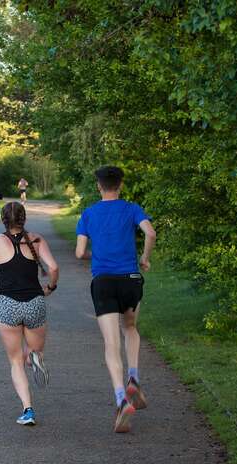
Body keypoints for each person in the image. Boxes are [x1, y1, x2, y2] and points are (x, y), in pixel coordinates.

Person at [75, 166, 156, 433]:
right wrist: (144, 258)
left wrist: (96, 256)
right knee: (130, 328)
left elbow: (79, 253)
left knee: (111, 342)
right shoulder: (132, 208)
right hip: (131, 280)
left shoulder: (88, 213)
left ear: (99, 186)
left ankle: (121, 398)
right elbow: (151, 233)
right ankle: (134, 376)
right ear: (120, 185)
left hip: (104, 282)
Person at [0, 201, 59, 426]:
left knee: (14, 361)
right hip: (35, 302)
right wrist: (50, 287)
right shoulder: (37, 240)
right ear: (24, 219)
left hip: (7, 305)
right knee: (34, 349)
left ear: (3, 220)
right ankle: (34, 356)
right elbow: (54, 268)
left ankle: (28, 410)